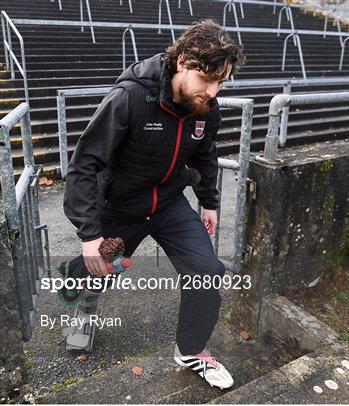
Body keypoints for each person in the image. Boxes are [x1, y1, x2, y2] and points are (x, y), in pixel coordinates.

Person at [63, 19, 245, 389]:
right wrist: (88, 235)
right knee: (99, 268)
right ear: (183, 63)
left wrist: (208, 202)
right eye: (206, 80)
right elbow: (84, 164)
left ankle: (191, 350)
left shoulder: (206, 106)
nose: (213, 91)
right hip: (121, 207)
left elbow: (206, 153)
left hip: (168, 206)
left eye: (220, 82)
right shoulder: (130, 97)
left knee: (207, 270)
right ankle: (82, 295)